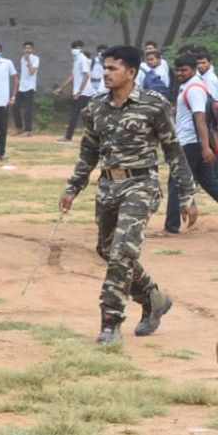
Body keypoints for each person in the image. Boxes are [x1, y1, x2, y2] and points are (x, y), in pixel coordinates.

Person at [59, 45, 198, 344]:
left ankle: (110, 322)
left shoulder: (154, 104)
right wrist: (73, 187)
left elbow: (174, 151)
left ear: (131, 72)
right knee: (107, 250)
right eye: (105, 68)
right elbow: (89, 151)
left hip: (141, 185)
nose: (106, 74)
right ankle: (152, 296)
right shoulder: (95, 106)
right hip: (108, 187)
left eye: (113, 69)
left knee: (123, 251)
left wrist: (187, 194)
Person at [161, 55, 218, 235]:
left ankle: (171, 227)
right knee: (209, 183)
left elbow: (200, 119)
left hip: (191, 144)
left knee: (175, 182)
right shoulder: (188, 87)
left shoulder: (194, 89)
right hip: (192, 143)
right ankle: (172, 224)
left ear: (193, 70)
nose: (179, 73)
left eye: (184, 70)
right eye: (177, 70)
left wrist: (205, 147)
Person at [53, 40, 96, 143]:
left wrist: (79, 92)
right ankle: (92, 137)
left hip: (84, 93)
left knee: (77, 115)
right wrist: (61, 88)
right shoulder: (76, 60)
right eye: (74, 48)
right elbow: (72, 77)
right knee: (82, 115)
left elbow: (86, 75)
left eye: (78, 48)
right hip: (80, 92)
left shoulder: (83, 59)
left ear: (81, 48)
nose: (76, 50)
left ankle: (69, 137)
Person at [13, 41, 39, 137]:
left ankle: (28, 131)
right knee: (15, 107)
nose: (27, 50)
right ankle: (19, 128)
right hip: (21, 87)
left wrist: (29, 61)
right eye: (25, 48)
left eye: (29, 48)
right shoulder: (22, 59)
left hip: (30, 87)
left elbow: (32, 72)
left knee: (27, 109)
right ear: (23, 49)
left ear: (32, 49)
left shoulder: (35, 58)